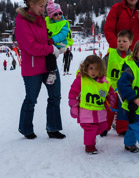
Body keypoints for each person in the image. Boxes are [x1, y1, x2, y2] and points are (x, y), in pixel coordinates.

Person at [15, 0, 66, 139]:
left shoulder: (41, 20)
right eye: (41, 6)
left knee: (55, 96)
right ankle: (26, 129)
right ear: (31, 4)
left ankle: (53, 128)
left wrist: (55, 44)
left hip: (49, 65)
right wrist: (51, 49)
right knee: (31, 99)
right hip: (32, 69)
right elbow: (30, 47)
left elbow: (44, 39)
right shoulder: (21, 22)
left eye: (44, 6)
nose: (43, 9)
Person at [68, 55, 115, 154]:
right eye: (91, 68)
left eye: (96, 69)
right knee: (90, 129)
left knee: (103, 126)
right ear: (85, 68)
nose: (93, 71)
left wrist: (110, 101)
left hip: (100, 112)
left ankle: (92, 136)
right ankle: (89, 146)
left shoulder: (104, 82)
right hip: (86, 112)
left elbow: (110, 93)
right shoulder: (81, 80)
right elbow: (73, 94)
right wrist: (74, 106)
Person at [101, 29, 133, 137]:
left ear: (130, 42)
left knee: (123, 109)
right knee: (108, 109)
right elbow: (102, 68)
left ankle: (122, 128)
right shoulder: (110, 55)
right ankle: (104, 127)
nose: (121, 43)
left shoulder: (133, 58)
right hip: (111, 89)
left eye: (124, 41)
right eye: (119, 41)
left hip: (125, 90)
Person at [45, 0, 73, 84]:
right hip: (53, 43)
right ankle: (50, 69)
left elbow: (63, 34)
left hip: (61, 44)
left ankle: (52, 72)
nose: (58, 16)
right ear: (50, 16)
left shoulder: (64, 23)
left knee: (52, 52)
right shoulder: (47, 22)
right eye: (55, 14)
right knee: (49, 53)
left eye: (60, 13)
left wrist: (53, 39)